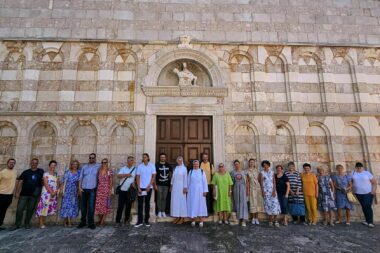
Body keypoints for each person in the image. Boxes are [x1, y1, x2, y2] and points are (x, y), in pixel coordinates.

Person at [13, 158, 44, 229]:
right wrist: (17, 192)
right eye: (33, 162)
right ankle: (17, 224)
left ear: (37, 164)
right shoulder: (26, 172)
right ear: (31, 163)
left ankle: (27, 223)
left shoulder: (40, 171)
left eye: (36, 163)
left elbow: (44, 181)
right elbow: (20, 182)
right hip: (24, 194)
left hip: (34, 195)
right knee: (19, 209)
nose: (34, 164)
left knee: (30, 210)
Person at [78, 153, 101, 229]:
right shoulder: (84, 167)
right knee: (83, 207)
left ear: (95, 158)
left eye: (93, 158)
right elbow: (80, 177)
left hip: (92, 189)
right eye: (90, 158)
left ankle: (91, 223)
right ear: (89, 158)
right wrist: (79, 188)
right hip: (83, 189)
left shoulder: (98, 167)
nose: (91, 159)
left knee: (91, 207)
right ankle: (83, 222)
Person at [352, 162, 377, 228]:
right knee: (363, 206)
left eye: (360, 167)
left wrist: (373, 191)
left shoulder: (367, 173)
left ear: (362, 167)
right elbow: (351, 182)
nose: (359, 168)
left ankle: (370, 222)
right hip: (358, 193)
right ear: (356, 167)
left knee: (367, 206)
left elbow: (374, 182)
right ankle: (367, 221)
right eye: (358, 167)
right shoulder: (353, 173)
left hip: (368, 193)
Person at [36, 160, 59, 229]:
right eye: (52, 165)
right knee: (43, 206)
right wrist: (51, 192)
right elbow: (46, 184)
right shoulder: (45, 174)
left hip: (53, 193)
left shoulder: (56, 174)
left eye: (54, 165)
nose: (53, 166)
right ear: (49, 166)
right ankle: (40, 223)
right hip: (46, 192)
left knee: (48, 206)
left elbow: (57, 183)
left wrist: (55, 192)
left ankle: (43, 222)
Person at [135, 153, 156, 227]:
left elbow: (153, 176)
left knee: (147, 204)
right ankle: (140, 221)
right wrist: (139, 188)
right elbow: (137, 177)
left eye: (145, 157)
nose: (144, 158)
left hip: (148, 188)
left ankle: (146, 221)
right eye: (143, 157)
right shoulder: (140, 166)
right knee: (140, 204)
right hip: (141, 188)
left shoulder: (152, 165)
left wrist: (149, 185)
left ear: (148, 158)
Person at [115, 156, 137, 227]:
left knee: (128, 206)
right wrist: (126, 175)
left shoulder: (135, 169)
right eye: (129, 160)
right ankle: (117, 221)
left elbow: (136, 178)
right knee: (120, 206)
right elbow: (118, 176)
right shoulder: (123, 168)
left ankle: (126, 220)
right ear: (127, 161)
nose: (131, 161)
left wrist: (134, 183)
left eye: (132, 160)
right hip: (122, 190)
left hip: (130, 191)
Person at [60, 160, 81, 227]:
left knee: (72, 206)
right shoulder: (67, 172)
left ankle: (65, 221)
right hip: (67, 191)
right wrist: (61, 190)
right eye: (73, 164)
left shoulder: (79, 172)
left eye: (76, 164)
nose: (75, 165)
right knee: (66, 206)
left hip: (74, 191)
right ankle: (69, 222)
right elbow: (63, 182)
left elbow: (79, 182)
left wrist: (78, 190)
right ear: (71, 165)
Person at [260, 160, 281, 227]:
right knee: (268, 205)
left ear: (269, 165)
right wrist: (263, 191)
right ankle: (270, 220)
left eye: (266, 164)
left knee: (275, 204)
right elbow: (261, 183)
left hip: (272, 191)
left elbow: (274, 182)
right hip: (266, 191)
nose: (265, 166)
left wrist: (274, 190)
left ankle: (276, 220)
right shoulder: (262, 173)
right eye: (264, 165)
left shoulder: (272, 172)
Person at [187, 160, 208, 227]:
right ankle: (193, 220)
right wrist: (187, 189)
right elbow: (188, 182)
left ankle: (201, 221)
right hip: (192, 191)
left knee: (200, 205)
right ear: (193, 165)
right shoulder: (191, 172)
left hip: (200, 191)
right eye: (194, 164)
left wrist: (205, 191)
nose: (195, 165)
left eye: (196, 164)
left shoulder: (202, 172)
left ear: (198, 165)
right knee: (193, 205)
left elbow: (204, 182)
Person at [95, 158, 113, 226]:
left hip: (106, 190)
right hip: (99, 190)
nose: (104, 164)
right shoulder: (99, 171)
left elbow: (111, 181)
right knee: (98, 206)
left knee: (105, 206)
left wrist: (110, 190)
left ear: (107, 163)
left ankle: (101, 222)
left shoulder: (109, 171)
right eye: (102, 162)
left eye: (105, 162)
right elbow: (97, 181)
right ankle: (101, 221)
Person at [0, 158, 17, 230]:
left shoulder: (15, 172)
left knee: (3, 211)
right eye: (10, 162)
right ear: (7, 163)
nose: (11, 164)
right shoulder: (2, 172)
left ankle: (0, 224)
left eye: (13, 163)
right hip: (1, 194)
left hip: (9, 195)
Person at [170, 156, 188, 225]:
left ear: (182, 161)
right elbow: (173, 177)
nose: (179, 161)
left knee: (182, 202)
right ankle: (177, 217)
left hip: (181, 187)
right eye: (178, 160)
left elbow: (185, 178)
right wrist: (171, 185)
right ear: (177, 161)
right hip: (175, 187)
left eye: (180, 160)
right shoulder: (175, 168)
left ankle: (182, 218)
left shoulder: (184, 168)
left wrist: (185, 187)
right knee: (176, 202)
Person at [231, 160, 249, 227]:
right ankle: (239, 218)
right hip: (236, 188)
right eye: (235, 164)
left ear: (239, 164)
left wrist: (247, 190)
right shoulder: (232, 172)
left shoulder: (244, 172)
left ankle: (244, 219)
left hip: (243, 188)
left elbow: (247, 182)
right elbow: (232, 183)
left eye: (237, 164)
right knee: (237, 203)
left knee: (243, 203)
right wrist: (231, 191)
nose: (236, 165)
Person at [155, 153, 172, 218]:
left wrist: (170, 184)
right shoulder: (157, 165)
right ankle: (159, 211)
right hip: (159, 184)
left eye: (164, 157)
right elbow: (154, 175)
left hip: (166, 185)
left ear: (165, 158)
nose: (162, 158)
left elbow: (170, 174)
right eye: (161, 157)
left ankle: (163, 211)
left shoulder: (168, 165)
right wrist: (155, 184)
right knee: (159, 197)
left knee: (164, 198)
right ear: (160, 158)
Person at [246, 158, 264, 225]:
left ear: (254, 163)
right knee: (253, 203)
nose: (251, 163)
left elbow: (259, 180)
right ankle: (253, 218)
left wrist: (261, 189)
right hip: (251, 188)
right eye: (250, 162)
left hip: (258, 188)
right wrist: (247, 190)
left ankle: (257, 218)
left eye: (253, 162)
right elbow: (247, 181)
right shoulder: (247, 171)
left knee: (258, 203)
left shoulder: (257, 171)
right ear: (249, 163)